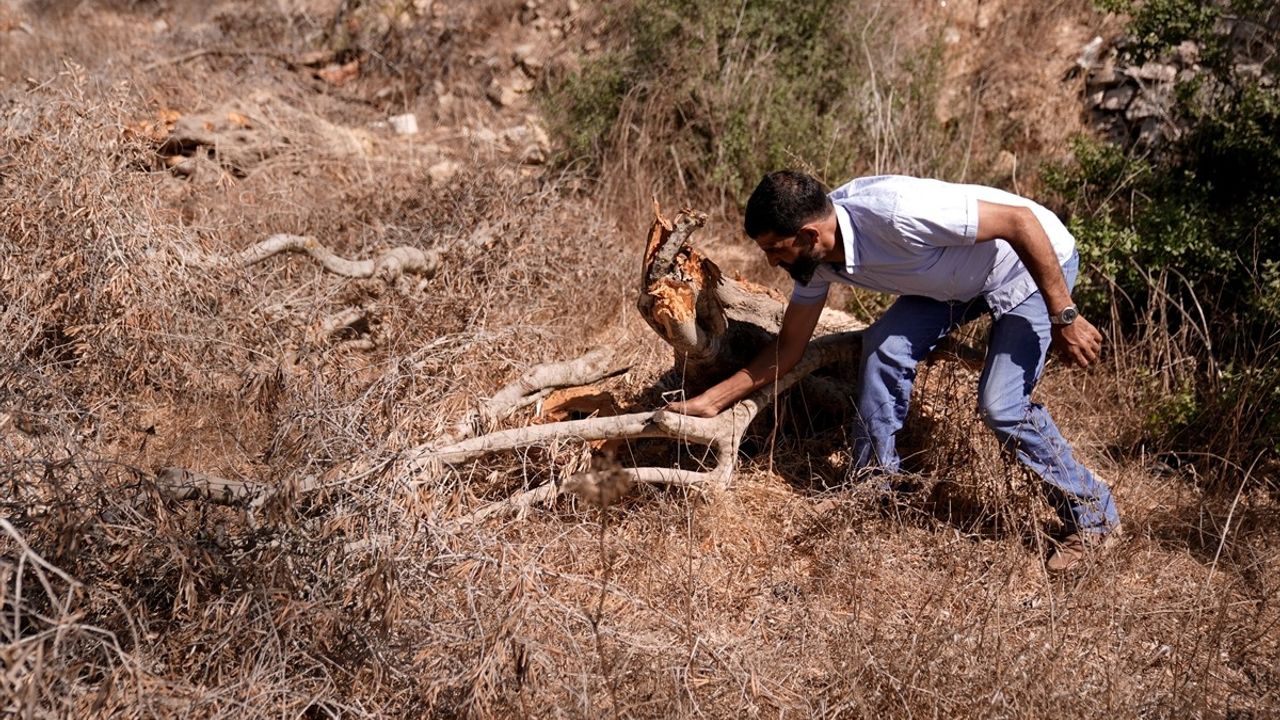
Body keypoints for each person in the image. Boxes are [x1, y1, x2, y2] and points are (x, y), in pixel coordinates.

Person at [664, 171, 1122, 572]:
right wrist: (713, 400)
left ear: (807, 235)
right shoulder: (817, 264)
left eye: (774, 249)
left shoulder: (898, 213)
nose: (770, 263)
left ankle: (1094, 517)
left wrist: (1064, 313)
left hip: (1026, 264)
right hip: (950, 283)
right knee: (881, 349)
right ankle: (876, 488)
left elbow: (1021, 222)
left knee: (1001, 406)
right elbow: (790, 346)